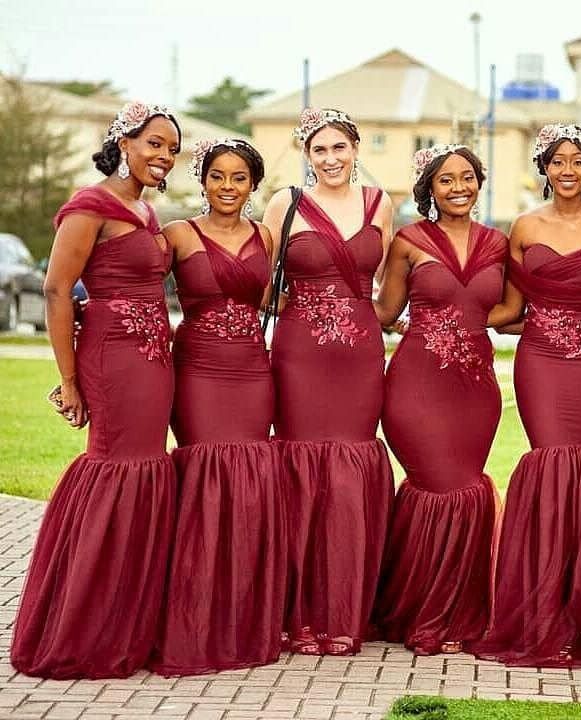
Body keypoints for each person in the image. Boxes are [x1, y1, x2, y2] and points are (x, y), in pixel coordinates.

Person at [11, 103, 181, 678]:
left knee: (146, 471)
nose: (164, 156)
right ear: (123, 141)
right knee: (116, 471)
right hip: (114, 361)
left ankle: (128, 623)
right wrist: (68, 380)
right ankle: (82, 628)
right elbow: (58, 291)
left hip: (156, 360)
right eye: (155, 143)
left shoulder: (146, 211)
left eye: (172, 149)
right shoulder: (90, 205)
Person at [471, 124, 581, 667]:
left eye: (578, 161)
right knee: (551, 470)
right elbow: (511, 307)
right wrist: (443, 318)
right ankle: (542, 616)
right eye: (557, 161)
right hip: (541, 362)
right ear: (544, 168)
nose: (568, 170)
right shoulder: (523, 226)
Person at [261, 108, 394, 656]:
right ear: (306, 155)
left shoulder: (381, 204)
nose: (331, 159)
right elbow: (264, 283)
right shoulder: (283, 203)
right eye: (320, 150)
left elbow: (388, 287)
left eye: (340, 147)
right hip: (300, 354)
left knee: (349, 474)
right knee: (302, 473)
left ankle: (345, 610)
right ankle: (298, 616)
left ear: (357, 147)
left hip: (361, 354)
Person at [152, 139, 285, 675]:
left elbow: (271, 301)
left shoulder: (267, 237)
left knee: (248, 487)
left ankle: (240, 622)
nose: (227, 187)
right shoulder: (178, 234)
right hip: (198, 372)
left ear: (253, 186)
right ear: (201, 181)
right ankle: (192, 624)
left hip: (253, 371)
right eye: (217, 177)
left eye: (239, 178)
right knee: (206, 484)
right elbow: (137, 284)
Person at [372, 145, 506, 654]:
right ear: (429, 188)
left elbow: (512, 308)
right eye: (446, 180)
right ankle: (418, 613)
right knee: (436, 485)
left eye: (467, 177)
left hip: (475, 388)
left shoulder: (498, 243)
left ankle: (459, 614)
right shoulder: (408, 241)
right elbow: (385, 310)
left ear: (479, 182)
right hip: (416, 384)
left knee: (467, 487)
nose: (458, 188)